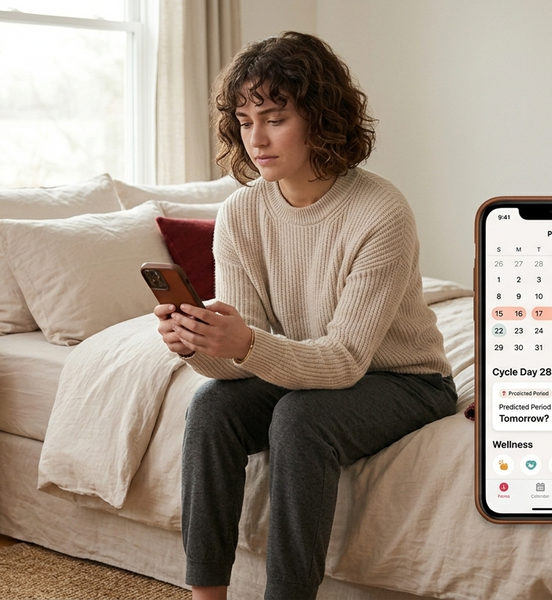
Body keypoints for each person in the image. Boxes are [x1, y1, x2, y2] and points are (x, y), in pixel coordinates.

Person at [152, 31, 458, 600]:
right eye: (245, 121)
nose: (256, 139)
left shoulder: (381, 211)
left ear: (320, 118)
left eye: (275, 118)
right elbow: (243, 359)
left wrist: (246, 344)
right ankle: (205, 596)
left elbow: (343, 360)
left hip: (404, 380)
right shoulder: (240, 212)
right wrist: (201, 345)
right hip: (302, 367)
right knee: (211, 406)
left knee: (300, 420)